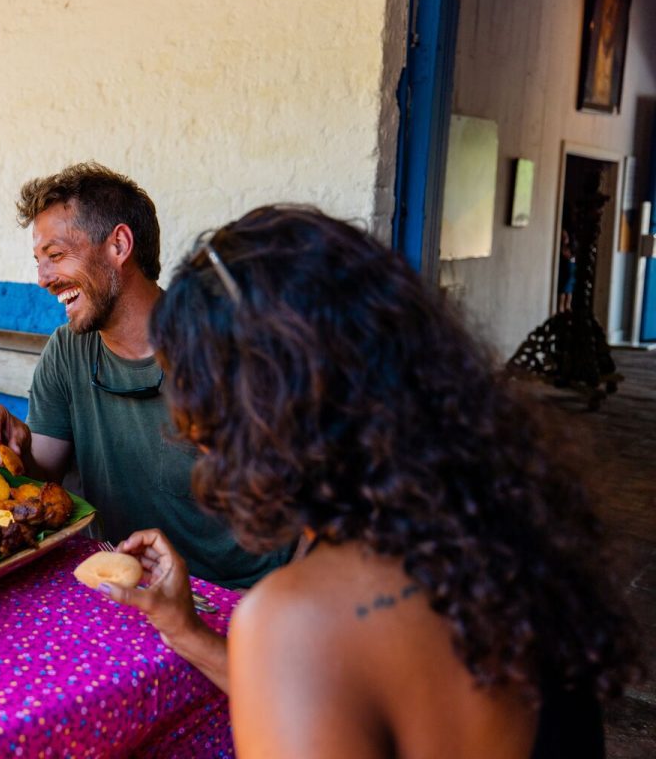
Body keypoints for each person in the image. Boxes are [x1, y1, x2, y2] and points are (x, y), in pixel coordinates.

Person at [103, 206, 638, 757]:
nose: (187, 429)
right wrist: (189, 634)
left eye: (190, 394)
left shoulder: (300, 620)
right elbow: (340, 710)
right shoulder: (507, 529)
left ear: (257, 410)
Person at [0, 162, 289, 588]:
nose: (43, 278)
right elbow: (41, 478)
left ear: (119, 245)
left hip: (238, 599)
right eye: (38, 261)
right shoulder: (67, 351)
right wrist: (14, 445)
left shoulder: (220, 344)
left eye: (57, 255)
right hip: (126, 584)